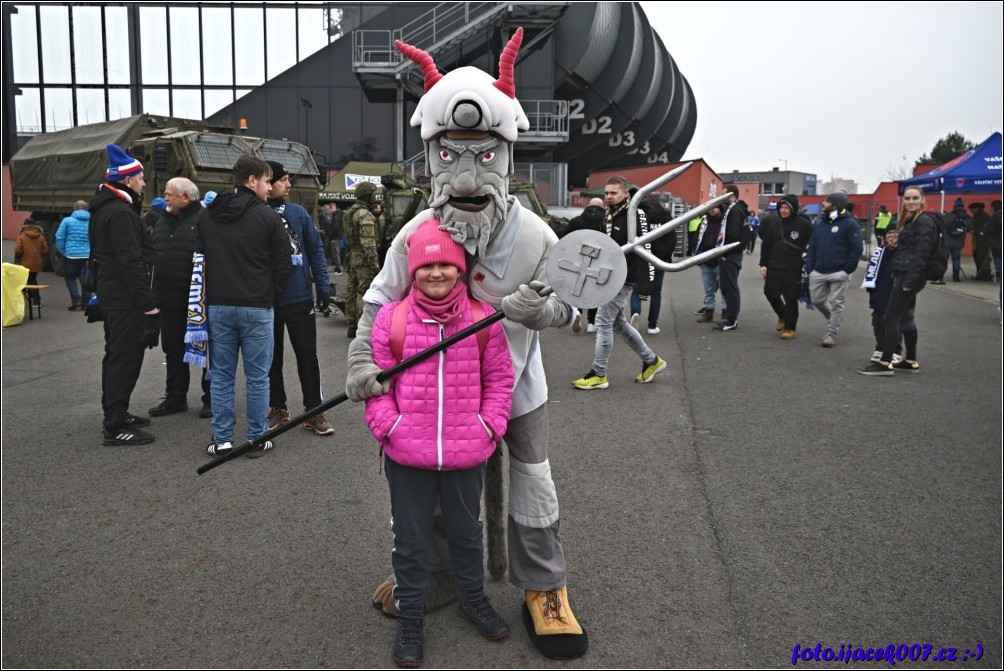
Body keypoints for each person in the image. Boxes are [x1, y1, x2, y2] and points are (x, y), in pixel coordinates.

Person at [350, 30, 589, 660]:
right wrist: (359, 359)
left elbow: (572, 309)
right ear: (430, 158)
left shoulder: (537, 235)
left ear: (507, 156)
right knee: (431, 479)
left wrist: (549, 311)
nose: (464, 177)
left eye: (483, 159)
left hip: (519, 386)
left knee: (533, 480)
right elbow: (378, 298)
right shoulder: (419, 231)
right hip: (438, 392)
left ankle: (544, 586)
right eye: (450, 158)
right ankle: (434, 579)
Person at [365, 219, 515, 667]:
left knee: (466, 533)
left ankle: (472, 598)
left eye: (446, 266)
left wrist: (489, 426)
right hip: (406, 453)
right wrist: (389, 427)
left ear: (459, 269)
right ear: (412, 270)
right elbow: (376, 386)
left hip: (467, 451)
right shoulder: (390, 319)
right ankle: (411, 612)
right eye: (426, 266)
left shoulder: (483, 319)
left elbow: (500, 380)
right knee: (410, 538)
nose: (436, 274)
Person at [196, 155, 291, 457]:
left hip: (218, 306)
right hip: (256, 306)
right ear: (252, 181)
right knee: (257, 376)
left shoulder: (208, 215)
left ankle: (222, 439)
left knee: (221, 376)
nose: (268, 187)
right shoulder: (267, 217)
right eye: (265, 181)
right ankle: (256, 438)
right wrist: (270, 297)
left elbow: (199, 260)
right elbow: (283, 265)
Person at [89, 143, 159, 446]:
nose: (144, 183)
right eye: (141, 178)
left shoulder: (107, 207)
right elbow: (130, 262)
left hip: (113, 295)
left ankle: (117, 412)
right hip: (125, 299)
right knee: (124, 359)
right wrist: (148, 306)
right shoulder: (120, 214)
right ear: (127, 180)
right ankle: (115, 426)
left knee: (117, 356)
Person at [571, 176, 666, 390]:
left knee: (603, 322)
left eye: (613, 193)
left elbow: (642, 248)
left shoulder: (634, 214)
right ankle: (652, 361)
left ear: (626, 194)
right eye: (606, 193)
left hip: (623, 277)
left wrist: (643, 281)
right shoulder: (611, 214)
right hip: (610, 275)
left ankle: (598, 373)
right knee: (617, 323)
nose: (609, 197)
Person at [263, 160, 334, 437]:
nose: (289, 185)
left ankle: (314, 410)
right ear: (267, 183)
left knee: (307, 355)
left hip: (299, 297)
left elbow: (315, 250)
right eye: (283, 180)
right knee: (271, 357)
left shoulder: (298, 213)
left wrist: (323, 285)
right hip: (265, 300)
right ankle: (277, 406)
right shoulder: (255, 213)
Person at [148, 177, 212, 419]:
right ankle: (175, 397)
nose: (165, 197)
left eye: (170, 194)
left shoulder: (205, 220)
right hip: (168, 299)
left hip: (197, 300)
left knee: (207, 350)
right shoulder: (161, 221)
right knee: (173, 349)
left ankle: (212, 398)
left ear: (187, 197)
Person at [858, 185, 935, 376]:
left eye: (915, 198)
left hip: (909, 276)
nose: (911, 202)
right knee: (907, 319)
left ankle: (885, 363)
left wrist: (910, 280)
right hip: (905, 274)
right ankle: (911, 361)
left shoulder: (923, 221)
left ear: (922, 200)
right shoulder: (909, 220)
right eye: (908, 198)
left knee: (890, 318)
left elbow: (922, 253)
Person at [804, 192, 863, 347]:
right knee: (817, 300)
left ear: (835, 205)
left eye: (826, 201)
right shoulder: (820, 223)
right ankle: (834, 318)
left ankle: (831, 333)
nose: (823, 203)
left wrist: (847, 270)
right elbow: (813, 247)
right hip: (818, 271)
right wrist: (810, 268)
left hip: (839, 272)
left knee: (837, 303)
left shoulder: (850, 224)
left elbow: (856, 249)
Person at [758, 194, 812, 339]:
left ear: (793, 208)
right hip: (774, 265)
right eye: (781, 207)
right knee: (770, 292)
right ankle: (782, 316)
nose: (783, 210)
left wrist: (809, 262)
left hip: (794, 268)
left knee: (791, 298)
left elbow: (812, 245)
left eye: (786, 207)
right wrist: (763, 264)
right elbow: (767, 245)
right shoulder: (774, 224)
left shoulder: (804, 224)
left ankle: (789, 327)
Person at [560, 197, 605, 333]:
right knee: (594, 291)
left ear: (588, 206)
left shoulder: (576, 221)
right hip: (598, 260)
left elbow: (564, 238)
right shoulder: (605, 223)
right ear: (602, 207)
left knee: (577, 288)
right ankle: (592, 323)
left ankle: (577, 312)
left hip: (577, 260)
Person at [629, 191, 671, 335]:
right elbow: (672, 238)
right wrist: (666, 257)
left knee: (636, 290)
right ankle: (652, 325)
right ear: (660, 200)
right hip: (659, 259)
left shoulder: (639, 214)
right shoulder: (666, 215)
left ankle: (635, 313)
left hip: (641, 258)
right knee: (656, 293)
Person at [343, 181, 381, 339]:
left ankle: (351, 324)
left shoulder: (349, 212)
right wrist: (375, 267)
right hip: (363, 259)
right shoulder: (365, 215)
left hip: (352, 257)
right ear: (367, 196)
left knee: (351, 290)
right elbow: (369, 244)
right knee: (363, 291)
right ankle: (361, 325)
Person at [710, 185, 747, 331]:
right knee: (727, 287)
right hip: (729, 253)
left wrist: (725, 252)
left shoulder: (735, 211)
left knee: (729, 287)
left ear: (732, 195)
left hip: (730, 255)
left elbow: (732, 234)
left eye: (724, 195)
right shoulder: (732, 210)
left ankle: (731, 320)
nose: (722, 197)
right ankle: (730, 319)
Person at [693, 205, 729, 323]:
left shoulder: (725, 223)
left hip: (720, 259)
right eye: (710, 208)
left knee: (724, 287)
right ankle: (709, 311)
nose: (712, 210)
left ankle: (725, 311)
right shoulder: (704, 223)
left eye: (715, 207)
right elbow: (696, 239)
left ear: (720, 209)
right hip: (705, 259)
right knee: (708, 289)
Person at [55, 200, 91, 310]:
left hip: (71, 255)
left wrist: (63, 251)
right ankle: (87, 303)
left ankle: (76, 301)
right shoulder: (92, 221)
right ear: (86, 209)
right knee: (86, 279)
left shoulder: (67, 221)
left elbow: (59, 237)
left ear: (74, 208)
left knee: (70, 278)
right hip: (88, 255)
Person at [14, 219, 48, 306]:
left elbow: (18, 251)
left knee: (24, 281)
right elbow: (45, 250)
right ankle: (36, 300)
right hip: (37, 262)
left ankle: (25, 301)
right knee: (33, 280)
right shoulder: (41, 237)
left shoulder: (21, 237)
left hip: (24, 263)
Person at [941, 198, 970, 283]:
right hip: (959, 242)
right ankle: (956, 277)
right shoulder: (967, 218)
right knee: (956, 259)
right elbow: (969, 228)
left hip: (947, 242)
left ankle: (940, 276)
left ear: (954, 207)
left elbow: (943, 225)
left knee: (944, 259)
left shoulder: (950, 216)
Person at [969, 202, 992, 281]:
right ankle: (982, 274)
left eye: (971, 210)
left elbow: (980, 229)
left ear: (976, 209)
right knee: (981, 258)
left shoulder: (980, 217)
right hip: (981, 241)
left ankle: (984, 275)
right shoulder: (983, 215)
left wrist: (974, 231)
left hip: (981, 241)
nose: (970, 211)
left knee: (981, 258)